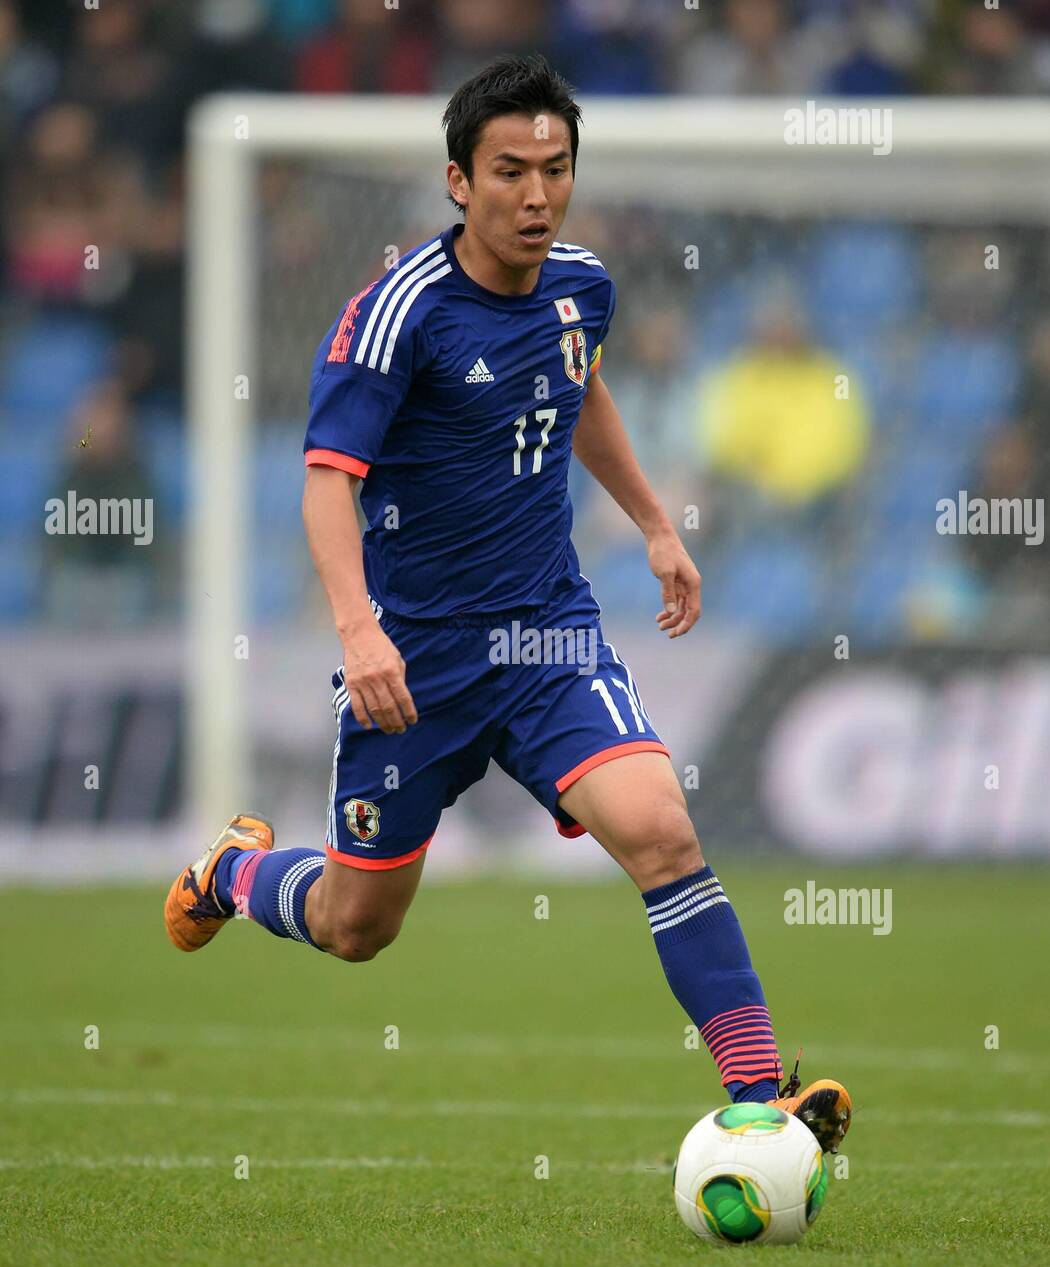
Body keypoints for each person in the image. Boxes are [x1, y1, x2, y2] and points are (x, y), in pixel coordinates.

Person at [164, 54, 851, 1153]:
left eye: (556, 169)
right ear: (457, 181)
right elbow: (326, 480)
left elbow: (579, 390)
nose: (537, 195)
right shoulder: (397, 316)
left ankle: (763, 1095)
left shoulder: (583, 285)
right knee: (356, 928)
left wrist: (657, 523)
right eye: (510, 172)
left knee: (663, 830)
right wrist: (358, 629)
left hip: (548, 639)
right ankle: (234, 871)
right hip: (416, 668)